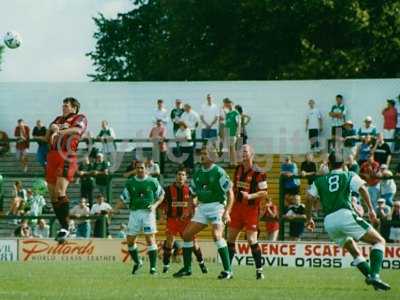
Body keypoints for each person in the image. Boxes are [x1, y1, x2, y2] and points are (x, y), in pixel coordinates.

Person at [306, 151, 391, 291]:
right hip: (344, 215)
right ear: (344, 164)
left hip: (329, 222)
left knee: (355, 251)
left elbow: (309, 199)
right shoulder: (349, 175)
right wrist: (370, 210)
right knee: (379, 241)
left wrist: (309, 218)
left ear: (329, 164)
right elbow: (363, 188)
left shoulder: (319, 180)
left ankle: (374, 281)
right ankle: (375, 275)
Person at [173, 146, 234, 280]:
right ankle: (187, 268)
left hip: (217, 206)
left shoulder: (219, 172)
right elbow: (192, 194)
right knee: (187, 234)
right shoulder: (197, 173)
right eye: (201, 153)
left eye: (205, 153)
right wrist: (188, 210)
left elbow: (230, 193)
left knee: (216, 234)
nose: (202, 156)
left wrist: (227, 212)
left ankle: (228, 270)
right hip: (202, 207)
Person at [45, 97, 88, 243]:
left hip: (66, 154)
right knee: (52, 196)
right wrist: (51, 128)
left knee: (59, 191)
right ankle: (64, 227)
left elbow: (78, 129)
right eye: (63, 105)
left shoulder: (79, 117)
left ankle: (66, 227)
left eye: (66, 105)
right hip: (52, 156)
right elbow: (47, 137)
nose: (63, 107)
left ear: (74, 108)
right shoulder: (57, 119)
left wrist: (61, 130)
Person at [115, 161, 165, 275]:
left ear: (146, 169)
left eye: (142, 168)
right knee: (130, 240)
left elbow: (162, 195)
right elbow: (123, 198)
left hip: (148, 213)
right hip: (134, 213)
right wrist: (115, 209)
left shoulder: (152, 181)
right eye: (138, 168)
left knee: (149, 238)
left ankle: (153, 268)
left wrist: (155, 205)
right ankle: (137, 262)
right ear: (135, 169)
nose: (140, 170)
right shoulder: (130, 182)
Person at [227, 144, 268, 279]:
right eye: (241, 151)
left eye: (245, 151)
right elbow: (234, 189)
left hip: (251, 210)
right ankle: (228, 270)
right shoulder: (238, 169)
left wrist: (250, 196)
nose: (242, 153)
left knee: (251, 239)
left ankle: (259, 270)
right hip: (237, 208)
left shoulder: (259, 172)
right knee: (230, 238)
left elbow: (264, 192)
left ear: (252, 154)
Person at [162, 168, 208, 274]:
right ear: (176, 176)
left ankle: (201, 263)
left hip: (186, 221)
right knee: (169, 242)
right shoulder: (167, 189)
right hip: (172, 220)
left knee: (194, 244)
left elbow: (195, 201)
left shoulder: (190, 190)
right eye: (179, 174)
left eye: (183, 175)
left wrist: (194, 206)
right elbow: (162, 203)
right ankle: (166, 266)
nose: (180, 176)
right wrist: (162, 214)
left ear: (186, 177)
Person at [223, 98, 241, 166]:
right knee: (230, 148)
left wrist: (238, 133)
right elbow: (226, 124)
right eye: (225, 104)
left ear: (231, 103)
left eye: (227, 103)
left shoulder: (236, 113)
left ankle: (235, 162)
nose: (227, 105)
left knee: (232, 147)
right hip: (228, 133)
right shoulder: (227, 114)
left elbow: (238, 124)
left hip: (233, 133)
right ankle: (231, 162)